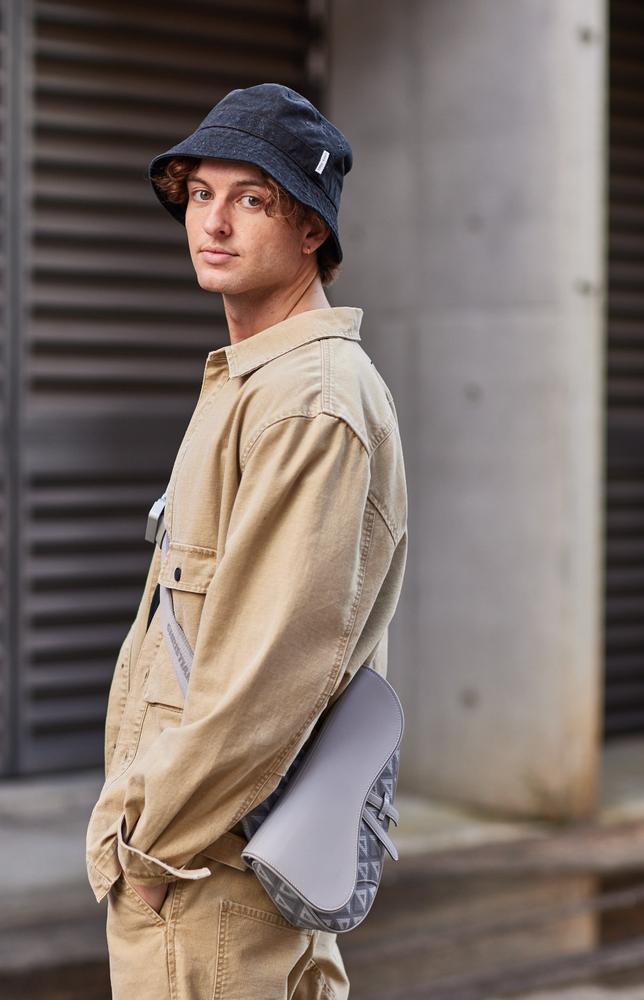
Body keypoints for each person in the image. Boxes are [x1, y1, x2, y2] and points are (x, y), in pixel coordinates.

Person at [85, 82, 408, 999]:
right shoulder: (251, 383)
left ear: (312, 230)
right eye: (200, 195)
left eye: (252, 198)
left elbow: (266, 672)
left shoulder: (310, 399)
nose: (214, 222)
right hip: (202, 864)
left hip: (205, 878)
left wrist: (145, 849)